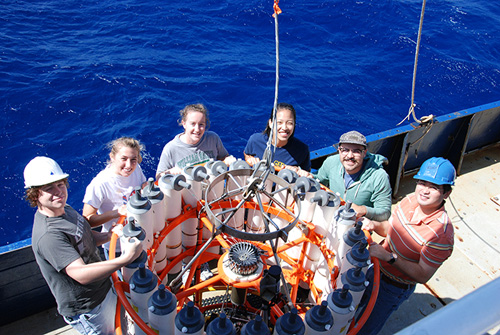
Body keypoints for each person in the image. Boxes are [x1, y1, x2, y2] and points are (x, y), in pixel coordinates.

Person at [24, 156, 143, 335]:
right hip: (90, 307)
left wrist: (109, 235)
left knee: (122, 328)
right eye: (49, 188)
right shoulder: (49, 235)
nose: (58, 192)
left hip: (104, 287)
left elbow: (84, 237)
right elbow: (80, 274)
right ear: (35, 195)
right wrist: (126, 258)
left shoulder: (65, 209)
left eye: (60, 185)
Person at [357, 157, 456, 335]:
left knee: (365, 327)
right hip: (373, 266)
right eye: (422, 183)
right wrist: (373, 224)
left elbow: (423, 274)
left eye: (433, 187)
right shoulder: (410, 200)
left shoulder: (441, 234)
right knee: (351, 310)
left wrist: (388, 257)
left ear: (446, 193)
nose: (424, 191)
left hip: (392, 287)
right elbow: (390, 229)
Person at [83, 137, 147, 254]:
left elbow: (143, 185)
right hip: (117, 247)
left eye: (133, 159)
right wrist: (116, 213)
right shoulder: (100, 184)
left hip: (140, 238)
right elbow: (87, 220)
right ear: (112, 157)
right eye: (123, 159)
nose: (129, 165)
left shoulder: (136, 168)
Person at [315, 130, 392, 221]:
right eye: (345, 150)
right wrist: (306, 175)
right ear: (339, 150)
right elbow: (318, 183)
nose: (350, 156)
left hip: (356, 227)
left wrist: (364, 210)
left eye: (356, 151)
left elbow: (385, 212)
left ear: (364, 153)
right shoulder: (331, 162)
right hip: (329, 217)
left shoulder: (379, 176)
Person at [156, 103, 235, 178]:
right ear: (184, 124)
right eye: (193, 124)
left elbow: (223, 157)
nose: (197, 130)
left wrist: (228, 159)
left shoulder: (213, 138)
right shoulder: (171, 148)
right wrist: (170, 172)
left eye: (201, 124)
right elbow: (159, 177)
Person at [244, 102, 311, 177]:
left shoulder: (302, 150)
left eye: (289, 123)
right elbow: (247, 153)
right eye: (279, 122)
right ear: (270, 123)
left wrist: (298, 171)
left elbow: (307, 173)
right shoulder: (255, 140)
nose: (284, 128)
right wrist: (250, 159)